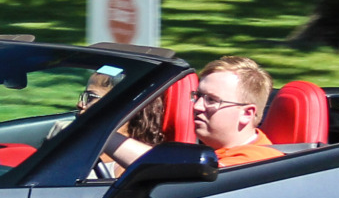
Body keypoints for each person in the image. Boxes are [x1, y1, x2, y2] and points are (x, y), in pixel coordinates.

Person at [104, 54, 287, 173]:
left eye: (212, 100)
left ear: (246, 114)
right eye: (198, 96)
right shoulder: (212, 152)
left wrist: (103, 136)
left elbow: (170, 173)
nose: (197, 106)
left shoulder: (254, 162)